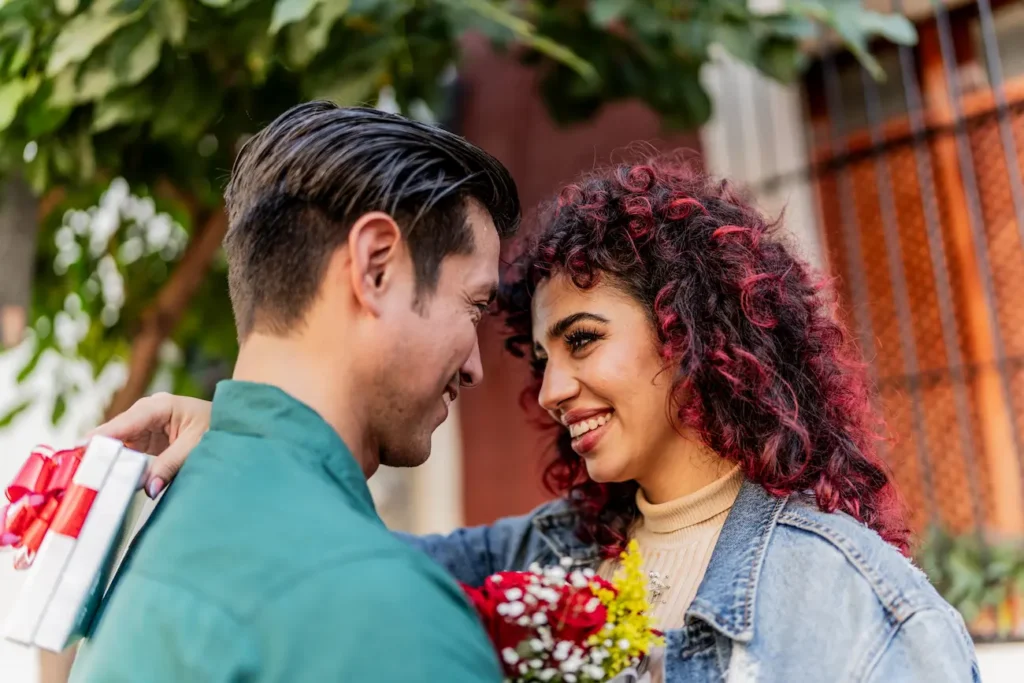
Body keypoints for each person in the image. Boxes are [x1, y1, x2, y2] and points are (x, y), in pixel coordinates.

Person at [95, 156, 979, 682]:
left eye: (583, 340)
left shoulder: (855, 601)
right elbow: (336, 568)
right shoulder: (546, 551)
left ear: (691, 332)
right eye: (543, 357)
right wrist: (246, 434)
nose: (552, 390)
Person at [70, 101, 520, 682]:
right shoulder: (377, 609)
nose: (476, 367)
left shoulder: (164, 532)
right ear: (376, 268)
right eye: (474, 305)